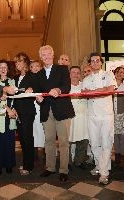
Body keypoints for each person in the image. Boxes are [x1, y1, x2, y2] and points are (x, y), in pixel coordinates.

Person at [36, 45, 75, 182]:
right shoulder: (38, 74)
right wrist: (38, 98)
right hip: (46, 111)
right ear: (41, 57)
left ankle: (64, 170)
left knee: (64, 142)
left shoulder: (62, 69)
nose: (46, 57)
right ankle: (50, 167)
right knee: (49, 141)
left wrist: (58, 90)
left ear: (53, 55)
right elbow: (39, 91)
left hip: (62, 110)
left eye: (48, 54)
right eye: (44, 55)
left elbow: (67, 86)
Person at [82, 52, 117, 185]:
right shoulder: (86, 79)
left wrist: (93, 92)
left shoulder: (108, 75)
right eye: (93, 61)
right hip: (92, 115)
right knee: (94, 143)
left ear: (101, 62)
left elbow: (110, 90)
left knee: (106, 143)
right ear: (90, 63)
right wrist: (100, 91)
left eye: (97, 60)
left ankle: (104, 173)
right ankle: (99, 165)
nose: (95, 62)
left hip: (106, 115)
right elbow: (85, 94)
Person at [0, 59, 17, 175]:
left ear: (8, 69)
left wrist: (14, 109)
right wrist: (8, 109)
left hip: (10, 116)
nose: (3, 69)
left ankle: (9, 164)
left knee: (9, 142)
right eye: (1, 67)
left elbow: (15, 97)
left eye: (5, 67)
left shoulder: (12, 81)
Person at [12, 52, 37, 175]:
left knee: (27, 138)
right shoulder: (15, 78)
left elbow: (38, 88)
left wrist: (32, 90)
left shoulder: (32, 76)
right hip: (18, 111)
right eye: (16, 62)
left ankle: (29, 165)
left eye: (20, 61)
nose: (17, 64)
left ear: (26, 62)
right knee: (22, 138)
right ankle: (27, 162)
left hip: (27, 112)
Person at [68, 66, 89, 169]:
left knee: (83, 140)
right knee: (67, 140)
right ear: (69, 74)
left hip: (83, 117)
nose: (75, 75)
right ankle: (67, 162)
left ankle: (79, 161)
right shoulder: (65, 87)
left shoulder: (84, 86)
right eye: (73, 72)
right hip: (70, 117)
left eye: (77, 73)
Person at [29, 60, 45, 164]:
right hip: (31, 108)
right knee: (33, 131)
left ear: (41, 67)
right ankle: (33, 156)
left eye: (37, 66)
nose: (35, 68)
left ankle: (45, 156)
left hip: (43, 108)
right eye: (32, 66)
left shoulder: (44, 78)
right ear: (30, 68)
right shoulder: (28, 79)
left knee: (43, 131)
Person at [113, 66, 124, 168]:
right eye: (117, 72)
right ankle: (117, 158)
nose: (119, 74)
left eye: (121, 72)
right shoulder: (110, 86)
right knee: (114, 137)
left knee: (122, 137)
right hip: (111, 115)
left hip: (122, 114)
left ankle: (122, 159)